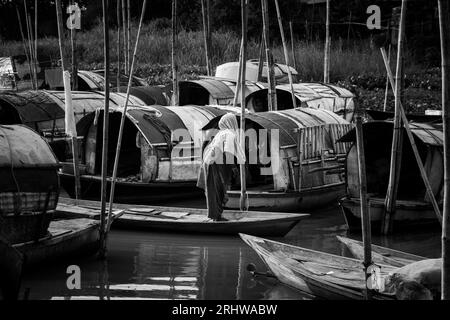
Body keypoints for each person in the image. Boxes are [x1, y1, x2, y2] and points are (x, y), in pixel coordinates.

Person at [197, 113, 246, 221]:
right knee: (217, 190)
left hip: (212, 163)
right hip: (217, 165)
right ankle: (216, 216)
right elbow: (228, 152)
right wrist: (233, 167)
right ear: (232, 122)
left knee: (215, 190)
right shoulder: (229, 134)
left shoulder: (221, 133)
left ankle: (216, 214)